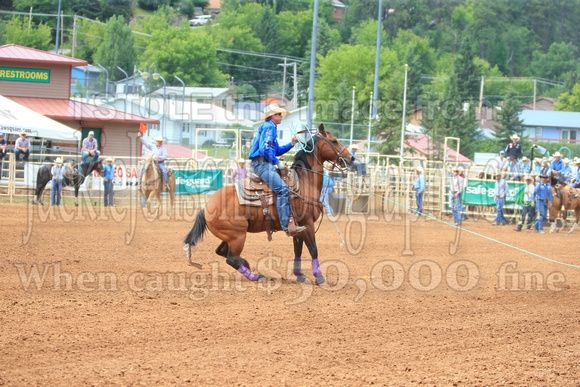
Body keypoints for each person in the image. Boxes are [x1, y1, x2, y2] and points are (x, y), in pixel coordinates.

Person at [249, 103, 305, 236]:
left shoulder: (270, 127)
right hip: (262, 164)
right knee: (283, 189)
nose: (281, 116)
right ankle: (286, 225)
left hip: (263, 164)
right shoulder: (269, 127)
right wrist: (276, 161)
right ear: (273, 115)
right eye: (279, 114)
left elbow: (277, 150)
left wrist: (291, 143)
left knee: (283, 188)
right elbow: (265, 149)